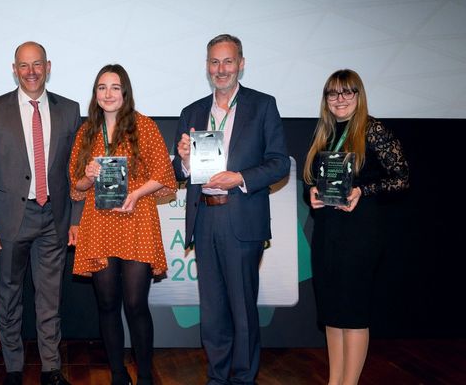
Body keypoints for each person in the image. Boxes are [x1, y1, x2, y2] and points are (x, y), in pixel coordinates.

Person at [173, 34, 290, 384]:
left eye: (227, 61)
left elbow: (279, 163)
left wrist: (239, 176)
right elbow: (181, 173)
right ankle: (217, 376)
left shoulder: (262, 105)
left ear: (241, 63)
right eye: (214, 62)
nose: (220, 69)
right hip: (204, 218)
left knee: (241, 309)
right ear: (206, 66)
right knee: (212, 312)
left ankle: (243, 378)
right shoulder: (191, 112)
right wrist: (183, 161)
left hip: (241, 218)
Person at [0, 41, 81, 385]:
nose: (31, 72)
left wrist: (76, 219)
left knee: (49, 299)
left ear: (48, 67)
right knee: (8, 297)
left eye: (37, 64)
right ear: (14, 69)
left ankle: (51, 368)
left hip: (54, 217)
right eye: (24, 65)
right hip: (9, 220)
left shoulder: (70, 109)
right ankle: (13, 368)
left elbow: (75, 169)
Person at [68, 64, 176, 385]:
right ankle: (117, 375)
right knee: (106, 304)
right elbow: (75, 185)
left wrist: (136, 192)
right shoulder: (87, 131)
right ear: (95, 94)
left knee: (135, 304)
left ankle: (144, 377)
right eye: (102, 87)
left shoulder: (143, 126)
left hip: (136, 220)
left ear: (125, 92)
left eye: (115, 87)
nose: (108, 94)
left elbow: (165, 176)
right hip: (99, 224)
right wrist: (87, 177)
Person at [303, 69, 409, 385]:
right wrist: (310, 194)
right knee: (333, 314)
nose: (340, 99)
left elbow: (402, 179)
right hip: (327, 233)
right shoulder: (323, 132)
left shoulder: (373, 130)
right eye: (333, 93)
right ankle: (335, 381)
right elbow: (309, 181)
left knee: (353, 313)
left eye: (347, 92)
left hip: (361, 234)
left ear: (359, 96)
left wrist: (363, 191)